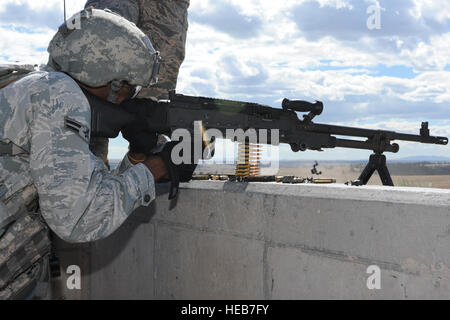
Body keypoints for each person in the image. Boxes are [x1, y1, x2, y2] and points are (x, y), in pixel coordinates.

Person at [0, 8, 168, 299]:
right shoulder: (60, 94)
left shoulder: (29, 83)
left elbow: (84, 186)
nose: (125, 98)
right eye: (128, 88)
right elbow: (79, 218)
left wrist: (138, 157)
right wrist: (154, 170)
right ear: (106, 76)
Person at [85, 0, 190, 167]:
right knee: (97, 63)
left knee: (152, 113)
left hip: (170, 6)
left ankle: (142, 164)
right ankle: (84, 164)